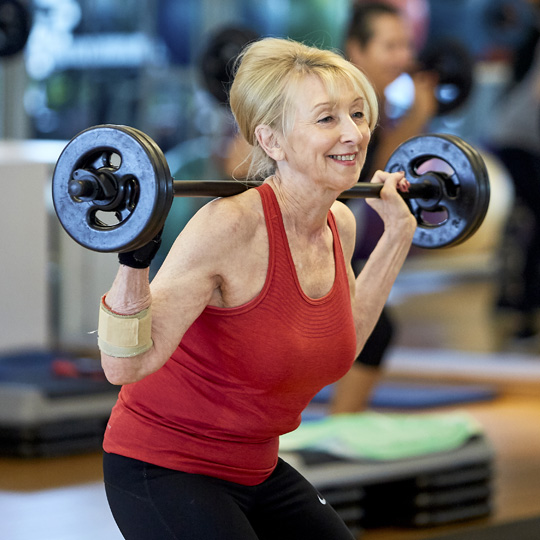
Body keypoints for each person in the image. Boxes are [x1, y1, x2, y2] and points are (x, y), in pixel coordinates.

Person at [98, 37, 416, 540]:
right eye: (327, 119)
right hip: (163, 465)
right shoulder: (228, 228)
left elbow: (346, 340)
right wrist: (133, 253)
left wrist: (397, 236)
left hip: (255, 466)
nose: (353, 133)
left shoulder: (339, 223)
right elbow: (124, 365)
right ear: (271, 141)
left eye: (358, 113)